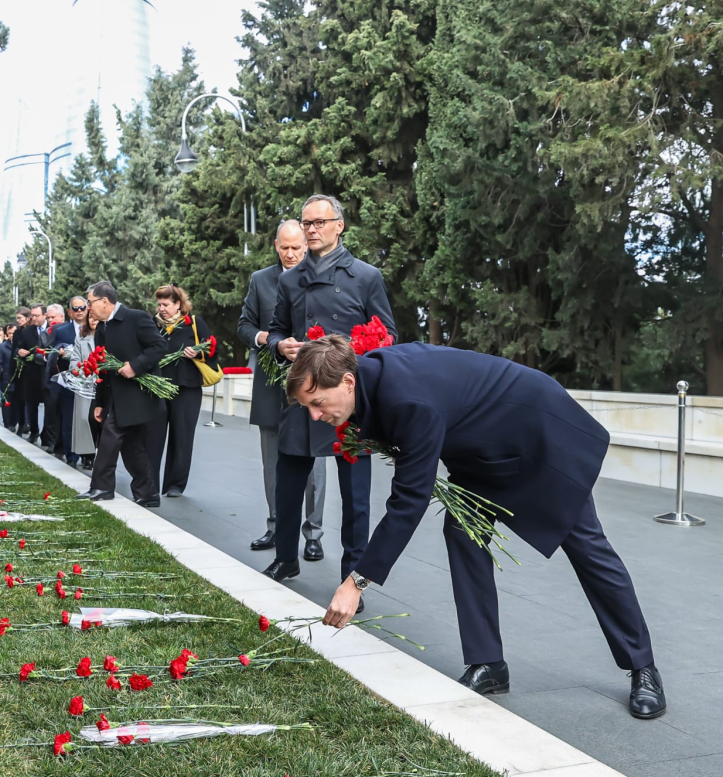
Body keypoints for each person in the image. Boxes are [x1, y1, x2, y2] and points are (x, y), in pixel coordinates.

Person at [289, 335, 667, 720]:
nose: (315, 416)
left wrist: (357, 582)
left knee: (587, 547)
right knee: (463, 533)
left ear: (348, 382)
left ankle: (643, 667)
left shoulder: (406, 400)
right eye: (308, 407)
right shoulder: (369, 377)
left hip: (538, 436)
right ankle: (489, 665)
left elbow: (408, 501)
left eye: (317, 403)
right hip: (479, 450)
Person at [263, 195, 396, 594]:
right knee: (287, 488)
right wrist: (278, 345)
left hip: (347, 406)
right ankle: (286, 559)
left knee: (356, 502)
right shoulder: (288, 280)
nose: (312, 229)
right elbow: (274, 329)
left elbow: (387, 337)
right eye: (307, 223)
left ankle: (353, 578)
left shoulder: (366, 276)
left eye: (320, 222)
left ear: (340, 225)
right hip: (304, 401)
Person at [241, 221, 329, 557]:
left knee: (315, 464)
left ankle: (313, 534)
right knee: (272, 461)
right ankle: (276, 527)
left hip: (314, 384)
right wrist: (267, 339)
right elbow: (244, 325)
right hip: (270, 384)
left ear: (306, 246)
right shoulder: (260, 280)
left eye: (297, 247)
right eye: (284, 247)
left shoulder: (321, 277)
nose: (290, 254)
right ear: (275, 245)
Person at [76, 280, 165, 507]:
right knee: (132, 444)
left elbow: (159, 346)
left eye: (90, 302)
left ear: (104, 301)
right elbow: (103, 367)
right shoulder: (103, 328)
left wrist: (135, 366)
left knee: (109, 438)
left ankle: (102, 487)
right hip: (116, 396)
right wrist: (99, 402)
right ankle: (148, 493)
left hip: (137, 394)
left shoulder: (136, 318)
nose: (88, 307)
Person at [146, 285, 218, 497]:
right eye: (159, 304)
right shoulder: (153, 324)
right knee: (152, 437)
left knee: (182, 436)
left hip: (186, 389)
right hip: (157, 388)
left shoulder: (195, 323)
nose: (162, 309)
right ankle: (149, 483)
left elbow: (213, 349)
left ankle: (175, 485)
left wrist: (196, 353)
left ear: (178, 304)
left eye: (166, 304)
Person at [40, 303, 77, 458]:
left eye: (53, 317)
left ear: (63, 316)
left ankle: (86, 454)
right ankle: (60, 446)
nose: (50, 320)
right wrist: (52, 354)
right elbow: (48, 351)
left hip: (81, 376)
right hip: (57, 379)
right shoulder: (52, 332)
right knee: (58, 414)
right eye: (48, 317)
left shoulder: (69, 329)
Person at [68, 312, 100, 471]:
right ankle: (88, 455)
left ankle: (100, 454)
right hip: (85, 384)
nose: (93, 321)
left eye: (96, 318)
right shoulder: (81, 338)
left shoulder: (109, 336)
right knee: (85, 419)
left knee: (101, 420)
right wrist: (84, 368)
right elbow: (74, 362)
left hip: (104, 384)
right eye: (91, 318)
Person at [12, 305, 45, 442]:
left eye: (37, 315)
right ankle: (34, 431)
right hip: (31, 373)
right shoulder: (26, 332)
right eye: (33, 315)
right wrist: (19, 351)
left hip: (48, 372)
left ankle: (48, 436)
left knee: (51, 405)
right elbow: (18, 347)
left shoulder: (52, 330)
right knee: (31, 404)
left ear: (45, 315)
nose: (34, 318)